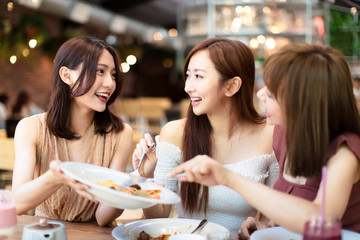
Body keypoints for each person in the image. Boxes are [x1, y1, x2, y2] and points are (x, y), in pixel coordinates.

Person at [168, 43, 360, 238]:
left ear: (303, 102)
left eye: (271, 92)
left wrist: (228, 177)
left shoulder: (345, 152)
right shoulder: (284, 136)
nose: (260, 94)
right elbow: (292, 207)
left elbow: (322, 221)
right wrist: (269, 225)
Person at [132, 37, 279, 236]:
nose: (187, 87)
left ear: (232, 86)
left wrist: (263, 226)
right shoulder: (175, 133)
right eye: (188, 75)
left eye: (199, 76)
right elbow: (158, 215)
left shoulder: (270, 135)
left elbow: (275, 214)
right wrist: (145, 179)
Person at [11, 36, 133, 226]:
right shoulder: (31, 128)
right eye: (100, 71)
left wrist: (127, 188)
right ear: (67, 75)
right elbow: (18, 204)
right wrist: (54, 178)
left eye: (113, 75)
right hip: (47, 233)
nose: (110, 83)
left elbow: (103, 218)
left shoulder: (121, 133)